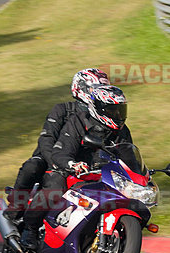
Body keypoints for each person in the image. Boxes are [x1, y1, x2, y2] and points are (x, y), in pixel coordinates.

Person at [20, 84, 133, 252]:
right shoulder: (79, 121)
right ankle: (29, 230)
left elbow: (128, 157)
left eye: (120, 110)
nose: (118, 115)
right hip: (66, 169)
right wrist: (72, 164)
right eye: (112, 110)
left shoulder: (123, 132)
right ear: (99, 109)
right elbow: (61, 151)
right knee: (54, 190)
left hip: (99, 176)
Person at [7, 68, 110, 221]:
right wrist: (57, 163)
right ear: (81, 89)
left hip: (83, 165)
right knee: (35, 169)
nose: (102, 94)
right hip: (52, 160)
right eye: (97, 89)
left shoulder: (103, 118)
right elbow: (46, 139)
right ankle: (18, 209)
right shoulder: (61, 110)